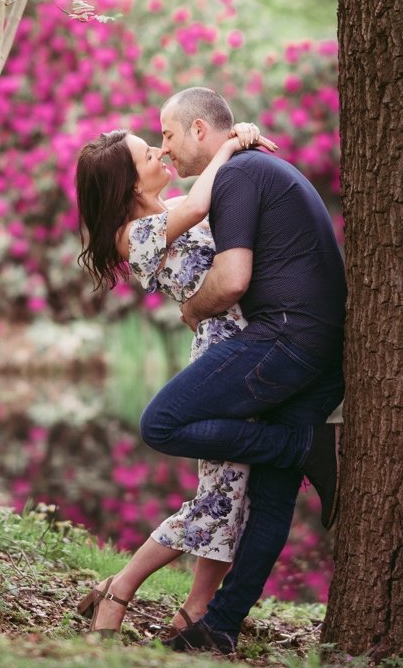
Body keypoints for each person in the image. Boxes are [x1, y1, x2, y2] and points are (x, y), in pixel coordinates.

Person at [138, 86, 345, 653]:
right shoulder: (249, 169)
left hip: (286, 336)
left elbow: (230, 282)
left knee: (160, 423)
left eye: (169, 134)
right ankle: (220, 628)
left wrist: (189, 308)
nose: (166, 147)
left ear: (200, 130)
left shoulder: (236, 177)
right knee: (274, 499)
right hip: (323, 351)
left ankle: (298, 449)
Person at [75, 120, 278, 637]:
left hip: (246, 351)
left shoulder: (166, 209)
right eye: (148, 154)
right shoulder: (134, 234)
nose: (160, 154)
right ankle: (119, 589)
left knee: (233, 497)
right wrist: (230, 143)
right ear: (129, 183)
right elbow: (202, 204)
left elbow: (207, 200)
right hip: (223, 363)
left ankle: (197, 609)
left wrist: (235, 136)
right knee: (215, 501)